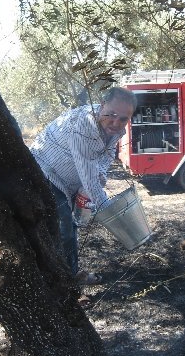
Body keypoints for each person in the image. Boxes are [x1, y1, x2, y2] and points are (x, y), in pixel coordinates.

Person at [30, 87, 136, 289]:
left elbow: (106, 155)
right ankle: (68, 284)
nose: (116, 123)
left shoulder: (113, 129)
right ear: (102, 105)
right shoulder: (84, 126)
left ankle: (68, 273)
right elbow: (88, 174)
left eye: (123, 119)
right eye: (111, 115)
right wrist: (108, 208)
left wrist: (101, 175)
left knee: (73, 225)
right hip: (46, 172)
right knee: (64, 227)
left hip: (69, 182)